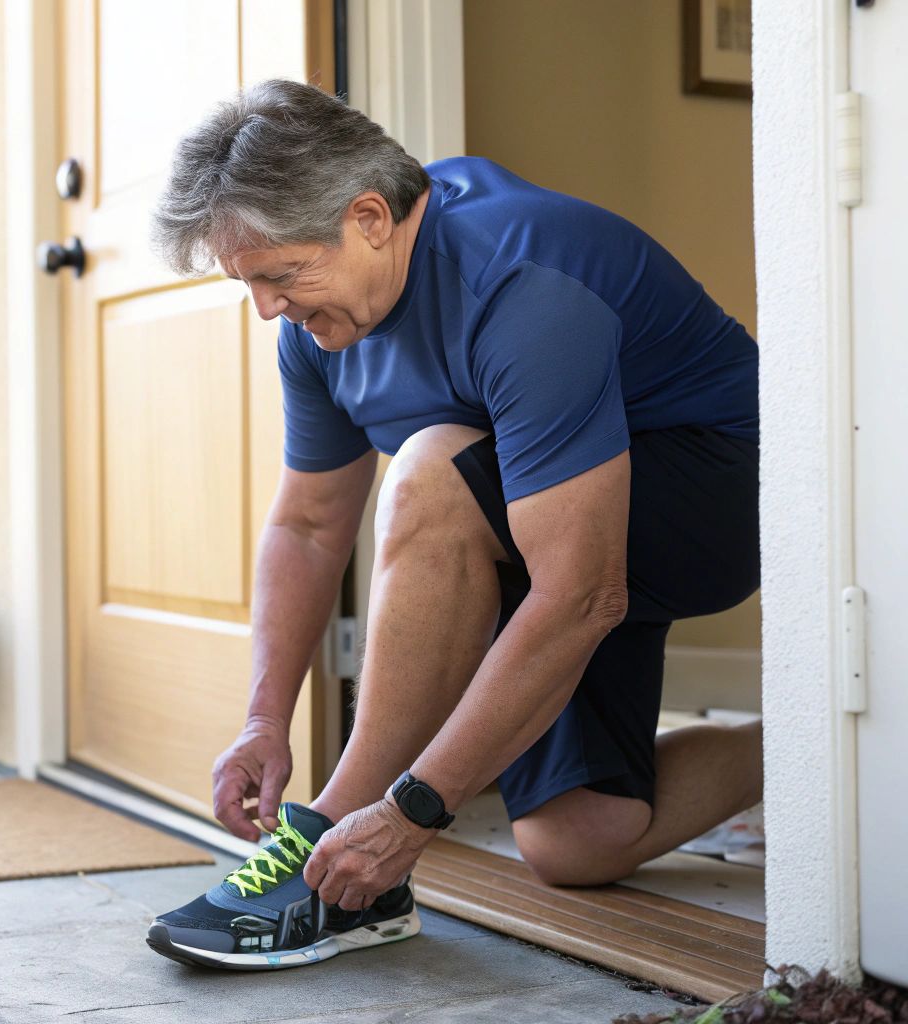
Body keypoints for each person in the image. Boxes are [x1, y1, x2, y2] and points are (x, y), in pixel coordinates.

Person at [142, 79, 762, 971]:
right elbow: (310, 525)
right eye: (251, 285)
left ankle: (325, 860)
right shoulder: (318, 331)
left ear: (369, 219)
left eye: (279, 276)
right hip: (550, 525)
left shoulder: (519, 282)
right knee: (578, 840)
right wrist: (263, 719)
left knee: (433, 466)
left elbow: (582, 595)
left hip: (720, 497)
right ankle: (807, 747)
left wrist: (410, 815)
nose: (269, 309)